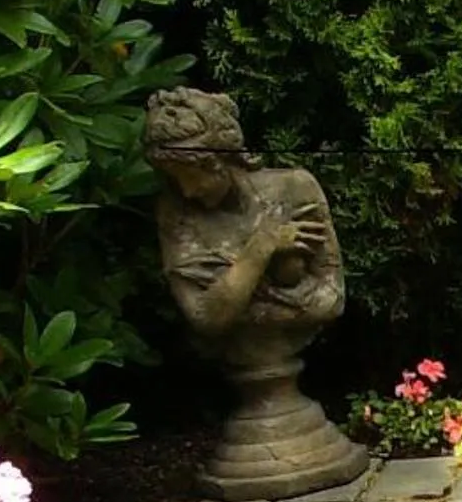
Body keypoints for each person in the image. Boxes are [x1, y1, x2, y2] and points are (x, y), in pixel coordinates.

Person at [143, 88, 347, 339]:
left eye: (191, 178)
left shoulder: (295, 188)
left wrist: (236, 301)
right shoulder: (177, 213)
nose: (186, 192)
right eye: (175, 181)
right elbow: (205, 318)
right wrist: (260, 249)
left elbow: (331, 301)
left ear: (220, 161)